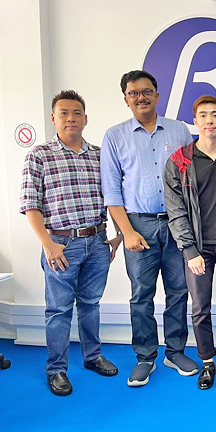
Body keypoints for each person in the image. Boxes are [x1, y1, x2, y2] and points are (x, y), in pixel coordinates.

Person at [20, 90, 121, 396]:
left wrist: (116, 236)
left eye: (76, 113)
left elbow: (115, 196)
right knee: (59, 309)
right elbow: (30, 205)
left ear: (85, 118)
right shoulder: (39, 155)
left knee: (91, 304)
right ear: (54, 118)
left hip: (97, 242)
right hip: (60, 245)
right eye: (63, 113)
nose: (70, 118)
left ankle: (92, 357)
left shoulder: (100, 154)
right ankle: (57, 369)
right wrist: (47, 245)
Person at [101, 70, 198, 387]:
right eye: (133, 93)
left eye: (146, 91)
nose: (140, 97)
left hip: (175, 224)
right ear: (126, 99)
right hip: (137, 225)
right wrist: (126, 232)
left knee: (178, 292)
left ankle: (175, 351)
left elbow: (189, 182)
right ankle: (145, 356)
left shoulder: (180, 131)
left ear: (157, 94)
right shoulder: (115, 136)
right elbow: (112, 191)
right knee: (141, 296)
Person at [164, 95, 216, 389]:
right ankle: (207, 361)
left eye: (215, 115)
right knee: (200, 306)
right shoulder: (179, 161)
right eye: (203, 115)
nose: (209, 120)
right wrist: (189, 249)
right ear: (195, 121)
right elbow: (175, 210)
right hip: (197, 249)